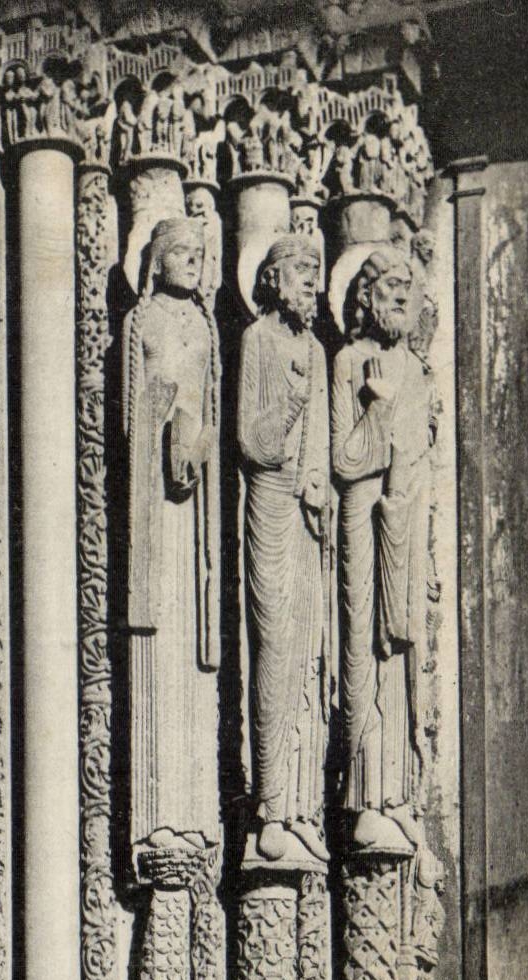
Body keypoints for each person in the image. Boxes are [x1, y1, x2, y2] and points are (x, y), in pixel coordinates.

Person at [123, 215, 221, 859]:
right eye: (179, 252)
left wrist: (198, 442)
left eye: (199, 253)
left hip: (196, 509)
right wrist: (165, 437)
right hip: (154, 506)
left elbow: (211, 407)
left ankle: (195, 814)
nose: (191, 261)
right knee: (159, 642)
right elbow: (133, 410)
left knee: (192, 648)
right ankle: (157, 815)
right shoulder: (142, 322)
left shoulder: (208, 327)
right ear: (155, 261)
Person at [332, 244, 435, 853]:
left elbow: (419, 454)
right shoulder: (350, 361)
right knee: (364, 645)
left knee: (400, 650)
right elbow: (347, 461)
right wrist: (376, 412)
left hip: (404, 519)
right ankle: (363, 796)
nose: (401, 295)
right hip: (363, 516)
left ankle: (394, 794)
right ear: (364, 298)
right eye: (389, 286)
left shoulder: (419, 369)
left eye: (409, 287)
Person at [238, 234, 330, 864]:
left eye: (317, 275)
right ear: (270, 280)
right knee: (272, 651)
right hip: (269, 507)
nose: (312, 285)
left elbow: (318, 443)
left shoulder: (317, 351)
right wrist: (293, 400)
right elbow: (253, 440)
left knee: (307, 653)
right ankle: (269, 806)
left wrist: (319, 481)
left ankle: (300, 807)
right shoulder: (258, 341)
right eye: (301, 273)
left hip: (306, 515)